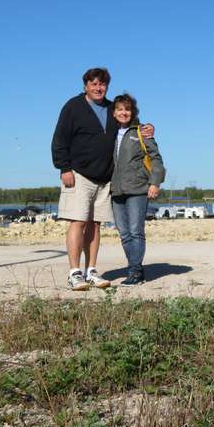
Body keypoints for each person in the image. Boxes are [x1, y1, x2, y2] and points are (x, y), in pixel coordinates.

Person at [51, 68, 154, 291]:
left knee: (95, 225)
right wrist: (64, 168)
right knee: (78, 222)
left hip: (105, 179)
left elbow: (129, 123)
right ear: (85, 86)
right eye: (93, 84)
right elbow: (59, 139)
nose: (98, 88)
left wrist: (147, 128)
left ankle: (91, 271)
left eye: (102, 84)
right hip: (78, 175)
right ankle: (74, 273)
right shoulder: (73, 107)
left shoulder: (110, 108)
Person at [110, 93, 165, 285]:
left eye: (127, 109)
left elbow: (156, 158)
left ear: (132, 112)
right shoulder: (110, 133)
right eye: (119, 109)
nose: (123, 113)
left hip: (138, 189)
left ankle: (135, 272)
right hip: (116, 190)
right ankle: (134, 269)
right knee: (124, 233)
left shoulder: (141, 132)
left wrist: (155, 182)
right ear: (114, 112)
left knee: (136, 231)